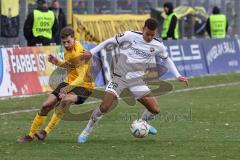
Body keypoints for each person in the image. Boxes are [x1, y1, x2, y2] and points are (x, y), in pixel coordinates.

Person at [77, 18, 188, 143]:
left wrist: (177, 75)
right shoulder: (130, 35)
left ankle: (142, 123)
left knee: (155, 110)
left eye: (153, 35)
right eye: (147, 34)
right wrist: (91, 52)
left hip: (136, 80)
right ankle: (86, 131)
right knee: (105, 106)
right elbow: (110, 41)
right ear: (143, 29)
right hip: (120, 76)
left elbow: (166, 59)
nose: (150, 37)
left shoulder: (158, 46)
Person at [17, 27, 94, 143]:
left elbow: (81, 77)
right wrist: (56, 62)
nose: (67, 44)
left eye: (69, 41)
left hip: (84, 86)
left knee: (65, 101)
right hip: (70, 82)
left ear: (74, 38)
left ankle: (45, 132)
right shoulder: (67, 52)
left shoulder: (79, 52)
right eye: (64, 42)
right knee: (46, 105)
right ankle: (30, 135)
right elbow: (70, 66)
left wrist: (67, 89)